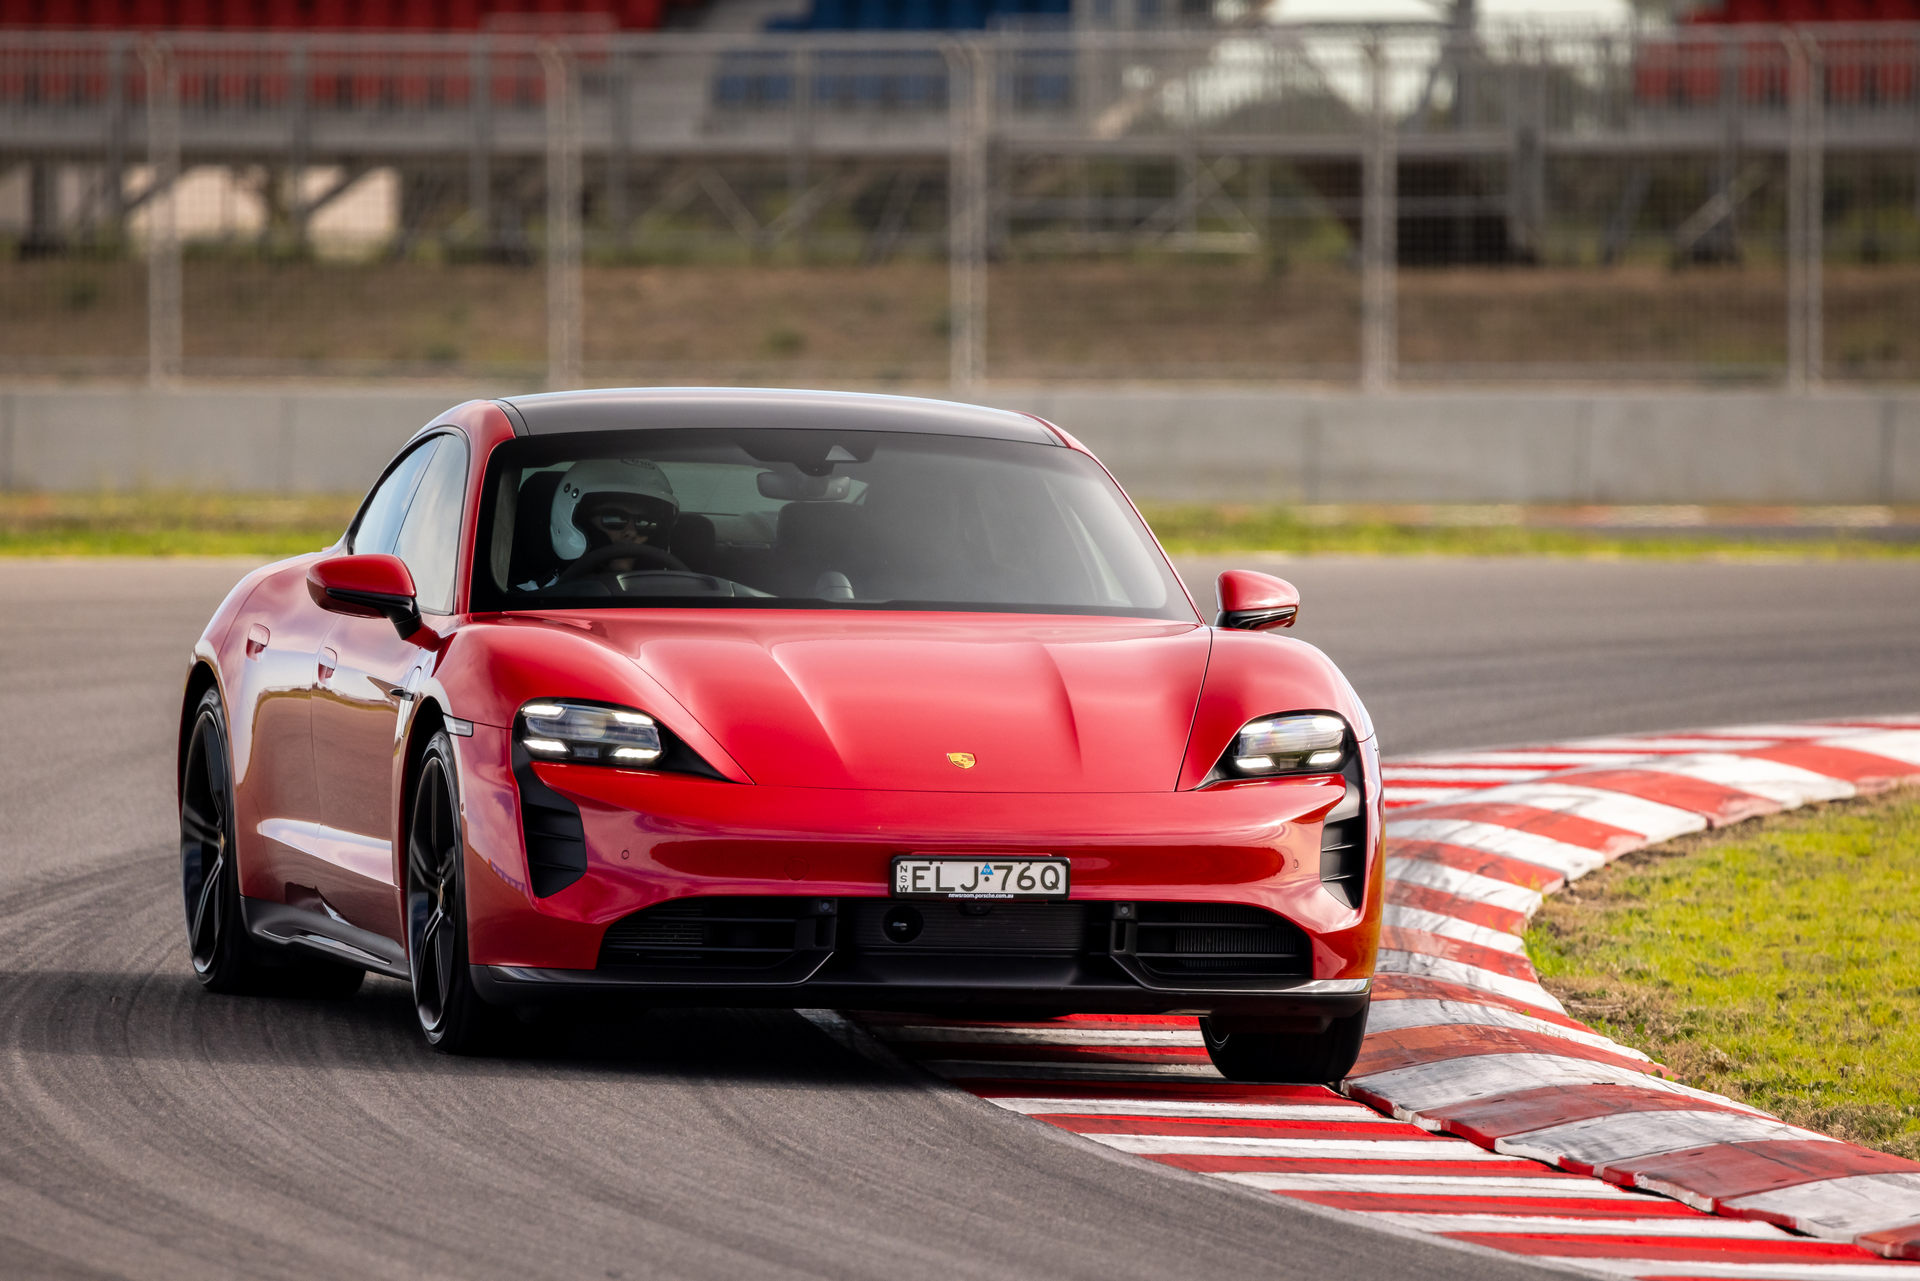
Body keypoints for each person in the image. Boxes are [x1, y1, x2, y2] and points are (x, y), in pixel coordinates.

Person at [547, 459, 682, 581]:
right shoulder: (533, 600)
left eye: (644, 523)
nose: (631, 532)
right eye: (615, 518)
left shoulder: (678, 598)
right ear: (582, 522)